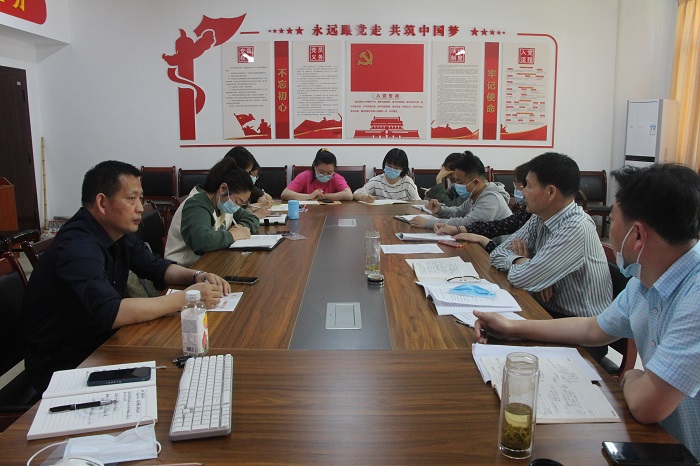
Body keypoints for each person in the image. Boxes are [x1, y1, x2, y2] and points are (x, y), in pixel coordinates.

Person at [474, 163, 700, 459]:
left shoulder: (695, 297)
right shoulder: (646, 279)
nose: (608, 228)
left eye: (613, 220)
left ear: (638, 236)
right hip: (658, 441)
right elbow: (594, 329)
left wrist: (632, 376)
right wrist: (511, 326)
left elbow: (647, 405)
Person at [22, 161, 231, 394]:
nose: (140, 207)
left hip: (103, 342)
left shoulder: (116, 232)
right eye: (132, 199)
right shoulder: (79, 246)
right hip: (65, 363)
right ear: (102, 202)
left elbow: (155, 267)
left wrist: (197, 276)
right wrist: (186, 299)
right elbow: (112, 312)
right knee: (175, 385)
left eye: (141, 199)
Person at [489, 152, 612, 322]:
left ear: (551, 192)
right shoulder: (539, 217)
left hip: (578, 325)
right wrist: (525, 262)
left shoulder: (576, 228)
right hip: (546, 311)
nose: (523, 192)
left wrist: (534, 272)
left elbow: (521, 278)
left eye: (529, 186)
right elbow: (496, 254)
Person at [165, 157, 260, 267]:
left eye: (242, 203)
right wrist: (233, 235)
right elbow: (201, 241)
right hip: (184, 269)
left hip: (209, 263)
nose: (237, 207)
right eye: (237, 201)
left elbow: (252, 218)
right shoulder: (196, 204)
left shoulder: (223, 203)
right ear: (223, 189)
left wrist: (241, 227)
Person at [444, 162, 533, 252]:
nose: (523, 192)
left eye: (528, 186)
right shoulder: (525, 213)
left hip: (501, 251)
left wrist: (481, 239)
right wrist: (458, 229)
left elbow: (468, 221)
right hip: (500, 250)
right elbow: (497, 226)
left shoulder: (491, 198)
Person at [410, 152, 511, 229]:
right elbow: (459, 211)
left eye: (460, 182)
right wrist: (440, 210)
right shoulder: (474, 195)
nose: (456, 185)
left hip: (495, 248)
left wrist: (428, 223)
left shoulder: (491, 199)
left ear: (476, 182)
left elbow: (467, 223)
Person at [281, 148, 353, 201]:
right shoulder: (305, 176)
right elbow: (285, 194)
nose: (325, 175)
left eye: (329, 173)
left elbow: (349, 195)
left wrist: (323, 196)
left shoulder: (336, 177)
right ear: (314, 167)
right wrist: (310, 196)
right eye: (321, 172)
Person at [353, 148, 421, 202]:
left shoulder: (407, 182)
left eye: (396, 168)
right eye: (389, 166)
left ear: (403, 169)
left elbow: (418, 202)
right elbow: (356, 194)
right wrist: (364, 198)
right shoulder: (377, 180)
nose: (392, 170)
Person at [224, 146, 274, 215]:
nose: (248, 176)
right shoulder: (226, 188)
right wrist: (258, 208)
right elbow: (236, 214)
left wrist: (262, 199)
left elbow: (262, 195)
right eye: (248, 172)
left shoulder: (244, 186)